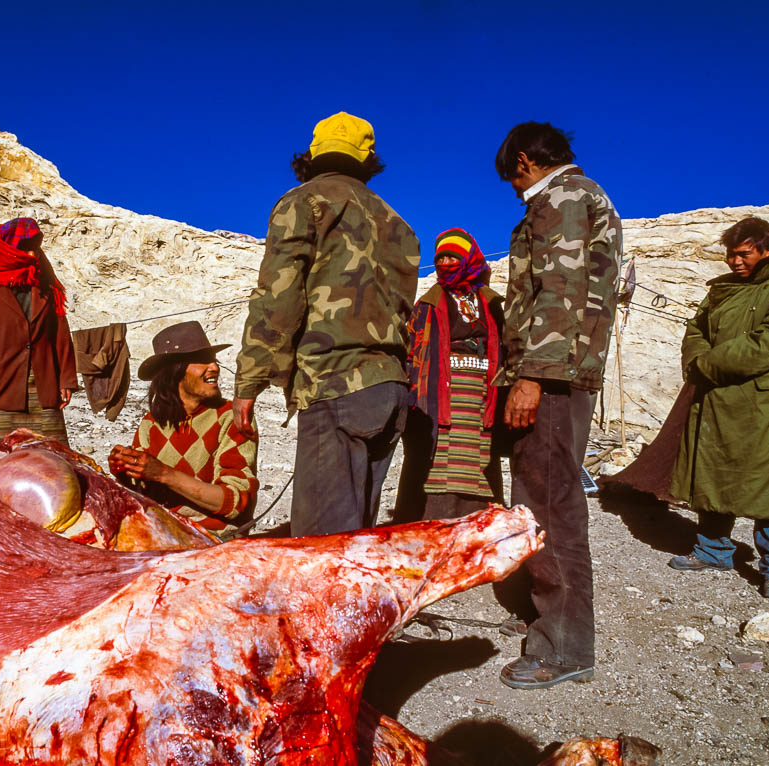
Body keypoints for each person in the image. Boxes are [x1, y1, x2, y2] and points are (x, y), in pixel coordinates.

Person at [233, 111, 420, 536]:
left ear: (314, 155)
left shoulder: (304, 202)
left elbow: (277, 299)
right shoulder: (399, 225)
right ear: (367, 158)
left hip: (335, 382)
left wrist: (249, 385)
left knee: (320, 546)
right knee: (355, 540)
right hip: (390, 388)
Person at [492, 121, 622, 690]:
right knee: (552, 495)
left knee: (548, 504)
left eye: (511, 176)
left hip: (553, 377)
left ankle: (562, 649)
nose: (513, 187)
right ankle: (558, 626)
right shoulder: (587, 196)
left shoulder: (562, 197)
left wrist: (532, 377)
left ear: (524, 160)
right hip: (566, 374)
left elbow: (559, 289)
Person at [668, 216, 769, 601]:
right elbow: (696, 330)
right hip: (719, 401)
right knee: (714, 476)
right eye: (730, 254)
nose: (735, 262)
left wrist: (709, 365)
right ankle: (713, 551)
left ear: (768, 248)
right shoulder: (722, 292)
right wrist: (697, 360)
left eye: (744, 254)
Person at [109, 321, 259, 538]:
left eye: (213, 360)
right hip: (161, 531)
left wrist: (162, 473)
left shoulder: (231, 417)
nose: (214, 367)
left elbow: (236, 502)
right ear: (175, 372)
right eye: (201, 361)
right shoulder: (151, 423)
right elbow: (141, 494)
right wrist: (125, 471)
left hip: (215, 537)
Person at [395, 229, 505, 520]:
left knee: (478, 454)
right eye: (441, 257)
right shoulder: (427, 305)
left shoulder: (493, 304)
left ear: (469, 259)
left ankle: (477, 525)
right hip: (440, 391)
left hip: (482, 392)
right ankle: (428, 522)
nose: (445, 263)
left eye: (453, 257)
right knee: (435, 457)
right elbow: (413, 350)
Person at [0, 218, 78, 466]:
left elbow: (59, 334)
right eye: (25, 248)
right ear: (6, 250)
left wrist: (66, 378)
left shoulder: (45, 287)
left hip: (43, 389)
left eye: (34, 247)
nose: (32, 254)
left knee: (52, 464)